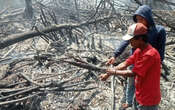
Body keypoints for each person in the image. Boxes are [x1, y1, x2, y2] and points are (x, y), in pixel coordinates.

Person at [106, 5, 166, 109]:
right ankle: (130, 101)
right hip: (140, 69)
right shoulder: (139, 49)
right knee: (133, 85)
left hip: (148, 69)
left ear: (141, 39)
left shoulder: (151, 49)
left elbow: (133, 72)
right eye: (137, 19)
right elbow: (126, 62)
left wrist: (114, 72)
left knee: (146, 89)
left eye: (141, 19)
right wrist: (111, 66)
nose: (129, 42)